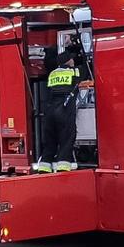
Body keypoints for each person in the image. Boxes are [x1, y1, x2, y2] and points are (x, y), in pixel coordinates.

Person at [34, 40, 89, 173]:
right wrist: (84, 56)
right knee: (67, 137)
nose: (73, 61)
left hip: (49, 110)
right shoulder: (74, 72)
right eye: (72, 59)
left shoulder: (53, 73)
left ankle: (44, 166)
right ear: (69, 61)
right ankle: (64, 165)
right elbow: (86, 70)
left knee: (50, 140)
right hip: (64, 109)